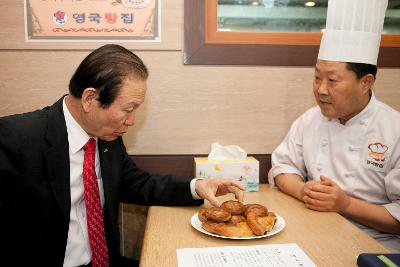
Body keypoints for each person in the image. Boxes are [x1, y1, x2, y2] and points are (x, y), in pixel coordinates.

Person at [0, 44, 244, 267]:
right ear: (90, 98)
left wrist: (198, 186)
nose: (131, 121)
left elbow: (136, 182)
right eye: (128, 109)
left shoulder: (107, 137)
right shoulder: (15, 139)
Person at [268, 0, 400, 252]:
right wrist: (303, 189)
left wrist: (346, 205)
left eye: (333, 80)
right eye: (317, 77)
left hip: (373, 247)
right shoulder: (310, 119)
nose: (321, 90)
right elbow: (283, 166)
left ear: (366, 83)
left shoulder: (395, 130)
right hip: (311, 233)